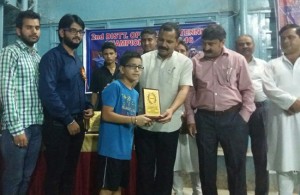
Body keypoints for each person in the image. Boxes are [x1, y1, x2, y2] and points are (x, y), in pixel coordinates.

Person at [185, 24, 255, 195]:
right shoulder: (195, 62)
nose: (206, 47)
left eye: (211, 44)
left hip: (233, 118)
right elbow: (190, 91)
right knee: (206, 167)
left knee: (236, 166)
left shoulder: (237, 59)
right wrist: (191, 118)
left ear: (222, 42)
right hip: (205, 119)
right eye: (204, 43)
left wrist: (243, 117)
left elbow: (248, 89)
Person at [135, 22, 193, 195]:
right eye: (161, 40)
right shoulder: (143, 60)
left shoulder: (185, 62)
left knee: (165, 170)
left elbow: (184, 89)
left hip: (170, 125)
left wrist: (172, 110)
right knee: (144, 170)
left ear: (176, 42)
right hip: (144, 124)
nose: (164, 44)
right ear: (157, 38)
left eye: (169, 41)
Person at [38, 14, 94, 195]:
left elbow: (77, 90)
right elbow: (48, 93)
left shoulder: (76, 59)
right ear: (62, 32)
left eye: (80, 32)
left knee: (69, 173)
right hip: (58, 126)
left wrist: (88, 107)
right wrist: (68, 120)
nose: (77, 35)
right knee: (55, 174)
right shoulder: (51, 58)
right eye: (73, 31)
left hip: (77, 124)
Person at [0, 10, 43, 195]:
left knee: (27, 177)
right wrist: (16, 129)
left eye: (37, 27)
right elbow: (5, 91)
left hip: (36, 126)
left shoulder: (37, 56)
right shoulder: (9, 52)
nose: (34, 31)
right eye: (29, 27)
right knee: (14, 177)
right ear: (18, 30)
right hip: (17, 128)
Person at [97, 51, 151, 195]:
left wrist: (141, 121)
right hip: (111, 148)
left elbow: (129, 118)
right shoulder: (115, 87)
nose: (137, 70)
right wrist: (134, 119)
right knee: (107, 189)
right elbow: (107, 115)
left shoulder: (135, 93)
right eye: (132, 66)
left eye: (140, 67)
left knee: (118, 188)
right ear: (121, 69)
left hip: (125, 150)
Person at [262, 24, 300, 195]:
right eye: (282, 38)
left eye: (290, 37)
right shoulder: (272, 65)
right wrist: (291, 102)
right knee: (283, 165)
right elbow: (268, 88)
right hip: (281, 121)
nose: (285, 41)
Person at [236, 34, 269, 195]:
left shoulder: (263, 65)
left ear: (254, 45)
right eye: (241, 44)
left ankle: (261, 192)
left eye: (248, 43)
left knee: (261, 155)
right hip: (238, 112)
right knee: (238, 154)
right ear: (236, 47)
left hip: (259, 111)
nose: (245, 47)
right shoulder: (232, 64)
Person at [173, 40, 202, 195]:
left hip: (194, 122)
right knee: (175, 162)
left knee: (196, 161)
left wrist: (190, 114)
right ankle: (178, 191)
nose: (179, 54)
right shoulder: (168, 72)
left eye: (182, 51)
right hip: (172, 122)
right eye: (176, 50)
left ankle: (198, 191)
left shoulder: (196, 73)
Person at [90, 42, 119, 111]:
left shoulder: (123, 71)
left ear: (116, 54)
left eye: (111, 53)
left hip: (120, 110)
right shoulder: (97, 73)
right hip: (103, 110)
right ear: (102, 55)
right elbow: (94, 94)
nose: (109, 56)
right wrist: (91, 108)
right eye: (106, 54)